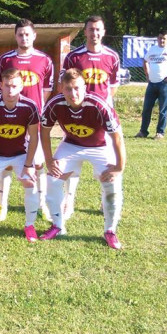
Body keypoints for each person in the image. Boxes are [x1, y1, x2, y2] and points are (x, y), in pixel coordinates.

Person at [39, 68, 126, 249]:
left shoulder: (98, 104)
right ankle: (57, 225)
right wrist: (49, 160)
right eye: (68, 89)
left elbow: (117, 137)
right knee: (53, 179)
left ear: (85, 87)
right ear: (61, 88)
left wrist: (119, 166)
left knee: (112, 183)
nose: (73, 94)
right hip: (72, 144)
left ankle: (110, 230)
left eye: (77, 88)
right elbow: (44, 131)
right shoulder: (55, 103)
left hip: (100, 146)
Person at [60, 15, 121, 216]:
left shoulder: (112, 56)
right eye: (91, 29)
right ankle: (68, 201)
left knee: (106, 161)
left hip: (102, 119)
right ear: (85, 31)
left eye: (98, 29)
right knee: (71, 159)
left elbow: (112, 87)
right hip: (77, 116)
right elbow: (65, 85)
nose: (94, 33)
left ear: (103, 32)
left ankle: (106, 200)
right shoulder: (73, 57)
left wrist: (100, 107)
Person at [0, 19, 54, 220]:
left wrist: (33, 109)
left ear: (34, 35)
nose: (24, 38)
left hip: (33, 121)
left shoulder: (45, 60)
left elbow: (46, 90)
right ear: (15, 36)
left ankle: (42, 204)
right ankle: (2, 204)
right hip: (9, 120)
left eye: (27, 34)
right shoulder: (5, 59)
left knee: (37, 164)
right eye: (20, 34)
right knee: (7, 163)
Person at [0, 68, 39, 241]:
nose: (10, 90)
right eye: (7, 86)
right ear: (0, 85)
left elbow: (33, 137)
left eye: (14, 86)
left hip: (20, 153)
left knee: (30, 182)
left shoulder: (30, 106)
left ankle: (30, 226)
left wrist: (28, 165)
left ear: (21, 86)